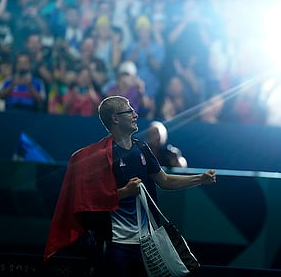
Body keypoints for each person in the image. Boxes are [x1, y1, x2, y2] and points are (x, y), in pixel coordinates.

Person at [43, 95, 216, 276]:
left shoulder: (142, 148)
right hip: (113, 244)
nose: (135, 114)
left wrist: (200, 179)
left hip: (145, 244)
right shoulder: (99, 157)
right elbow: (91, 201)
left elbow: (165, 181)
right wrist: (125, 192)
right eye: (129, 111)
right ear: (115, 118)